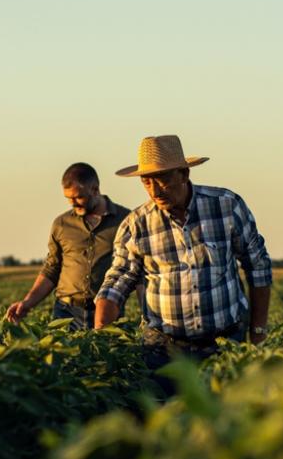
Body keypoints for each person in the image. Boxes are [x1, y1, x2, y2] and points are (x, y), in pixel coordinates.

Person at [94, 135, 272, 383]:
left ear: (184, 174)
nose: (155, 190)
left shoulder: (226, 206)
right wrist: (102, 333)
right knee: (165, 415)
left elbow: (258, 266)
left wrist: (258, 331)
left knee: (225, 415)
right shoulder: (136, 225)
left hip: (225, 343)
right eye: (147, 182)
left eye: (163, 179)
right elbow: (117, 282)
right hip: (163, 349)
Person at [6, 163, 131, 330]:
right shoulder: (61, 224)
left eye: (79, 197)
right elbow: (51, 269)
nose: (73, 203)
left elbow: (136, 270)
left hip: (107, 311)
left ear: (95, 189)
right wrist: (28, 302)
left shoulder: (125, 220)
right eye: (68, 198)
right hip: (66, 313)